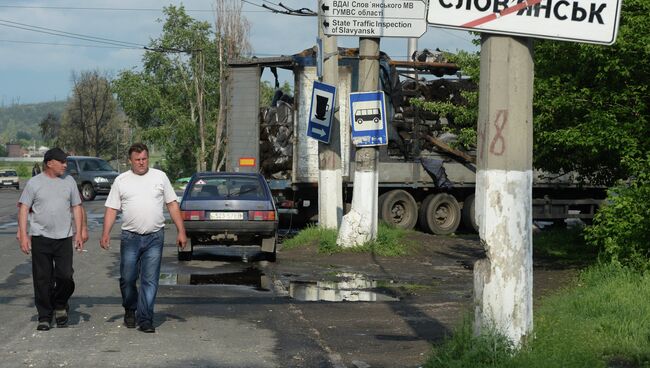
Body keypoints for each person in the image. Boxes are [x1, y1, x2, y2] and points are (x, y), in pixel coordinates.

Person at [100, 143, 187, 333]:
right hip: (130, 237)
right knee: (128, 278)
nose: (141, 163)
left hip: (155, 237)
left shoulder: (160, 177)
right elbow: (112, 209)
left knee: (150, 280)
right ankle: (130, 309)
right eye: (137, 159)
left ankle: (146, 318)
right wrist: (105, 233)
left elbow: (172, 204)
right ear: (130, 160)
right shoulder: (121, 180)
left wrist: (181, 231)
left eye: (144, 159)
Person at [17, 147, 86, 331]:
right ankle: (45, 316)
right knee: (42, 279)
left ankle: (60, 303)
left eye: (66, 161)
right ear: (50, 163)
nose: (65, 165)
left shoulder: (69, 181)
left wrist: (79, 232)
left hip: (64, 237)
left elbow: (77, 207)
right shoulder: (34, 183)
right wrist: (23, 234)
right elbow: (24, 208)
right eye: (62, 161)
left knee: (65, 277)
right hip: (40, 237)